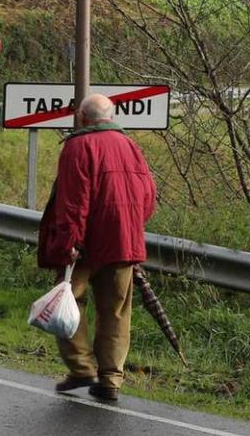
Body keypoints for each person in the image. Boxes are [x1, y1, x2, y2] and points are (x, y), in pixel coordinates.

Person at [37, 93, 157, 402]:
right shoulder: (131, 147)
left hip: (86, 245)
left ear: (82, 118)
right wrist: (130, 228)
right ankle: (110, 380)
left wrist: (69, 243)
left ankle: (81, 368)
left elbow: (73, 203)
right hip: (123, 243)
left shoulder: (77, 146)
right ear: (112, 116)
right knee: (116, 311)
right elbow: (148, 197)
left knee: (67, 302)